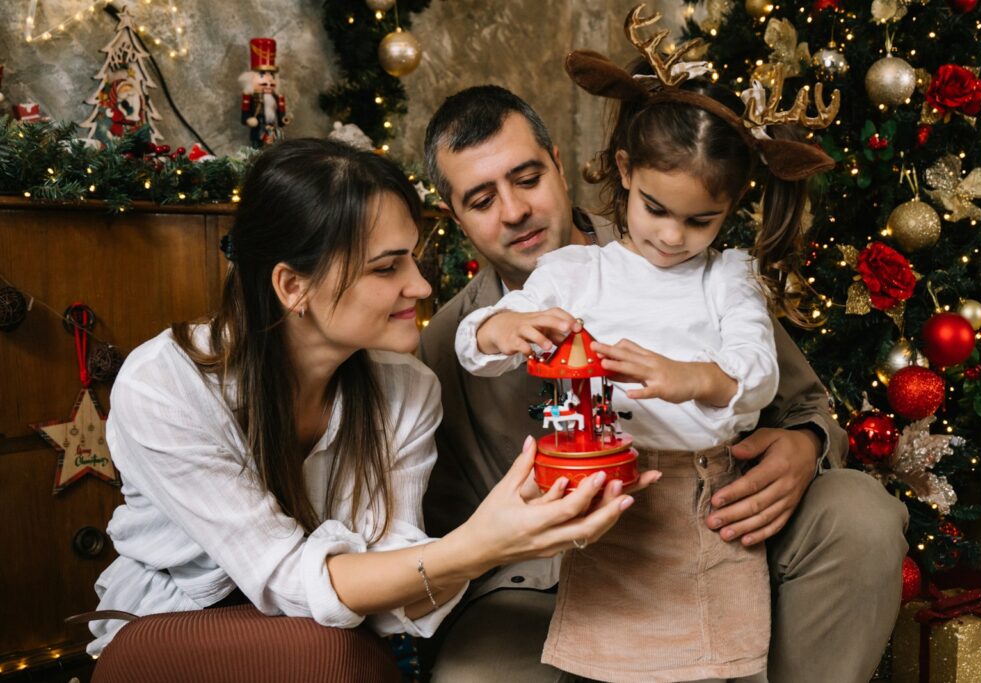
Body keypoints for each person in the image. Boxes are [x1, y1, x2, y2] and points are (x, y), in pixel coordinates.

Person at [85, 138, 641, 673]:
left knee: (341, 652)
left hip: (332, 638)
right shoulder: (166, 384)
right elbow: (287, 582)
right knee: (330, 655)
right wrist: (477, 545)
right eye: (386, 267)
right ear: (292, 285)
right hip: (174, 631)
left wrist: (509, 532)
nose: (421, 287)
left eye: (414, 260)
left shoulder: (406, 389)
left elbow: (397, 582)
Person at [419, 85, 909, 682]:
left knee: (860, 514)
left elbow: (795, 397)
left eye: (527, 178)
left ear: (558, 163)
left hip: (714, 517)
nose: (515, 210)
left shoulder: (682, 259)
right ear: (452, 214)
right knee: (472, 676)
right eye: (481, 199)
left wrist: (805, 444)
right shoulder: (450, 338)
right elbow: (437, 516)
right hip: (547, 582)